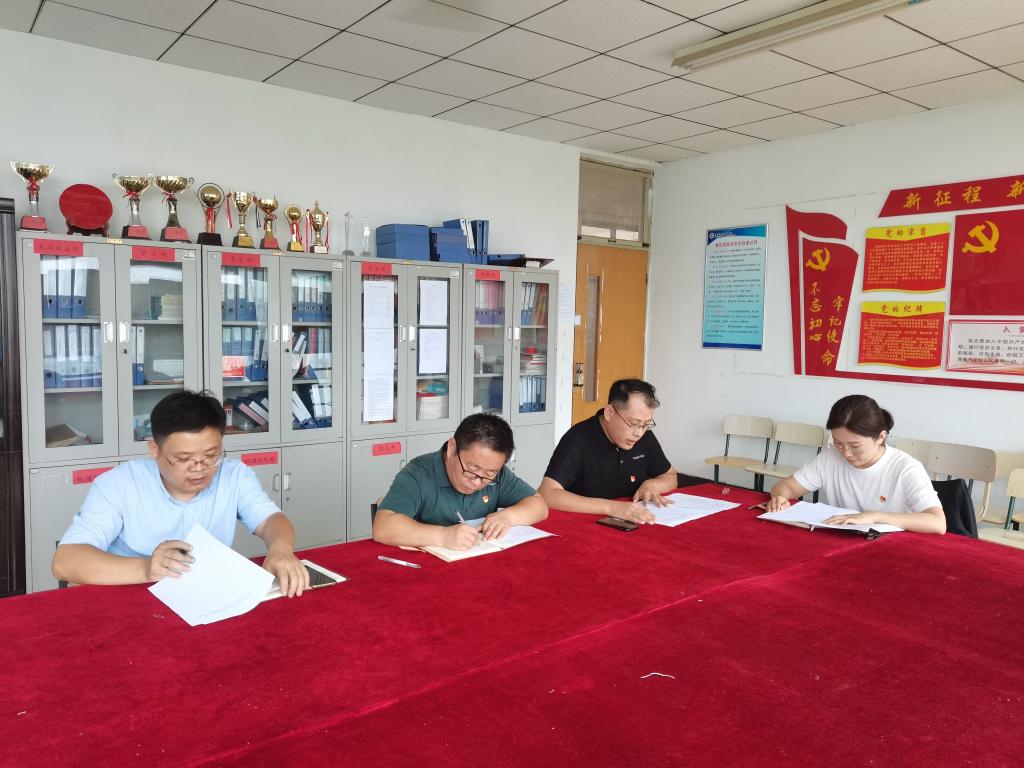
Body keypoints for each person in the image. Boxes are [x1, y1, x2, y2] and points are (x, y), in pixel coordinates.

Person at [52, 391, 310, 595]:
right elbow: (65, 561)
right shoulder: (119, 484)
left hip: (203, 593)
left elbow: (271, 520)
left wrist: (280, 549)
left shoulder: (234, 475)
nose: (199, 468)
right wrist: (146, 569)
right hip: (129, 596)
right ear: (154, 449)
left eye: (211, 455)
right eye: (184, 458)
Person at [766, 394, 945, 534]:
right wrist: (780, 498)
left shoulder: (905, 468)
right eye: (838, 443)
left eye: (855, 446)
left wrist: (873, 517)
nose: (846, 453)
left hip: (889, 546)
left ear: (880, 437)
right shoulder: (830, 458)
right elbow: (787, 486)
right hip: (840, 540)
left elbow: (937, 523)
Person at [372, 413, 548, 550]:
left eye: (489, 474)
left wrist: (507, 517)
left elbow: (539, 505)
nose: (477, 482)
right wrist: (443, 536)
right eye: (471, 470)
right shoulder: (418, 473)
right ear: (452, 448)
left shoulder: (497, 474)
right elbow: (383, 526)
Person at [538, 379, 678, 524]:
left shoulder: (644, 436)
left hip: (634, 521)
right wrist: (612, 507)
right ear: (609, 412)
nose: (639, 433)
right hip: (585, 524)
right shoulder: (578, 439)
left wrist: (653, 485)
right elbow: (547, 493)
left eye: (646, 425)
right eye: (634, 423)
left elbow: (670, 476)